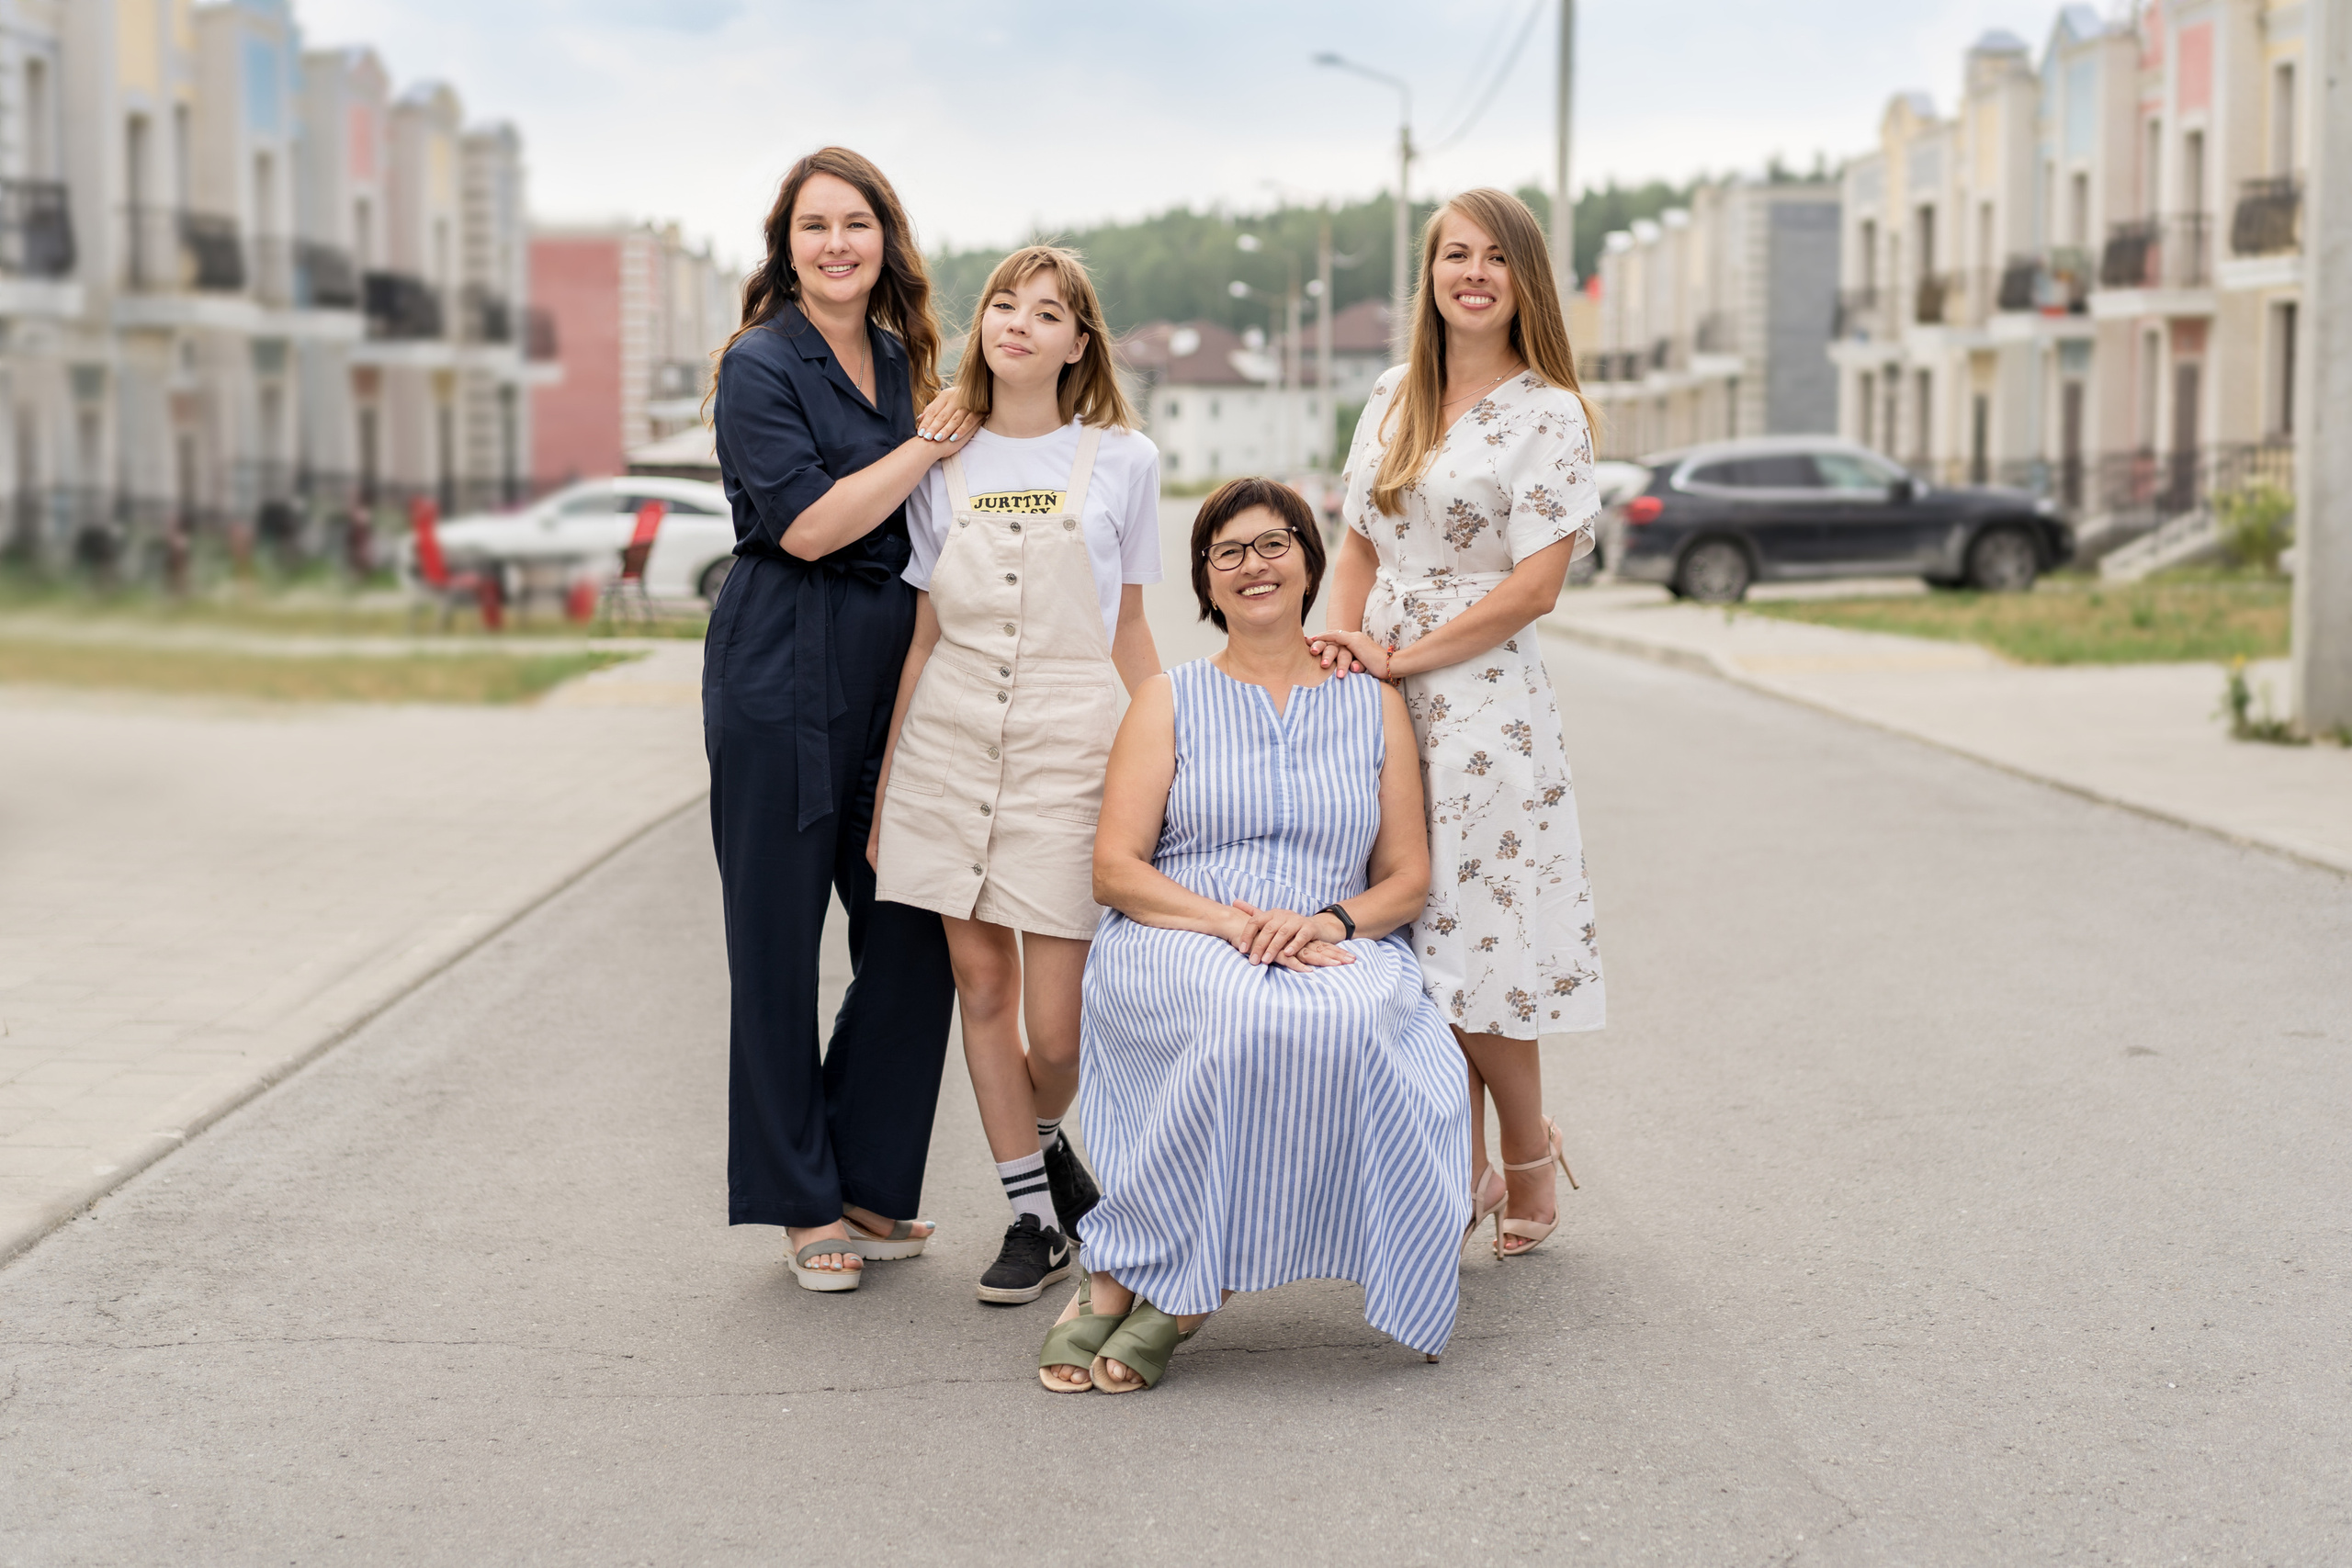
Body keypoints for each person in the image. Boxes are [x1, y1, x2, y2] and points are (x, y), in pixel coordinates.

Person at [1037, 479, 1471, 1393]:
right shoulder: (1168, 698)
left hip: (1324, 933)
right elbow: (1115, 869)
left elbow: (1406, 877)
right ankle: (1138, 1267)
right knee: (1237, 1012)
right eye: (1228, 552)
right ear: (1205, 580)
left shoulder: (1370, 703)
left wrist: (1330, 921)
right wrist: (1234, 923)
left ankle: (1177, 1281)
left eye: (1273, 544)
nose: (1253, 565)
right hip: (1181, 926)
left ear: (1311, 563)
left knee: (1348, 1021)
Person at [704, 146, 981, 1293]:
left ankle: (866, 1180)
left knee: (916, 923)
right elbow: (811, 527)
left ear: (885, 241)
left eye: (855, 224)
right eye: (813, 226)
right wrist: (924, 449)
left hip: (892, 669)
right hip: (780, 669)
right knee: (776, 943)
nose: (835, 244)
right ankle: (798, 1201)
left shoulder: (908, 361)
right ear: (787, 246)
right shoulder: (759, 365)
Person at [1311, 186, 1604, 1260]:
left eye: (1495, 258)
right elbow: (1353, 546)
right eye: (1453, 256)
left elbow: (1535, 589)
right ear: (1429, 276)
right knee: (1400, 947)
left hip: (1482, 706)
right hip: (1375, 696)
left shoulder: (1549, 413)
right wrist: (1342, 653)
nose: (1471, 273)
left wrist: (1403, 657)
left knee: (1472, 949)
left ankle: (1525, 1158)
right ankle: (1452, 1169)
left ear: (1524, 280)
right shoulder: (1392, 394)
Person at [871, 244, 1164, 1305]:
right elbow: (920, 635)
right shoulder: (939, 458)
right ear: (982, 323)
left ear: (1078, 344)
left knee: (1060, 1026)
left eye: (1048, 312)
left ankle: (1041, 1144)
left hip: (1069, 747)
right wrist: (891, 784)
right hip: (948, 746)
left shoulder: (1123, 461)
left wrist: (1166, 755)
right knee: (978, 989)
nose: (1019, 322)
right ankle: (1033, 1217)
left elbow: (1132, 631)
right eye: (1004, 302)